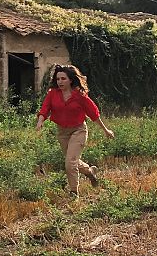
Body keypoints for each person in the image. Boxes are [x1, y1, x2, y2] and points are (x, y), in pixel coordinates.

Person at [35, 64, 115, 195]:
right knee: (72, 161)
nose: (60, 82)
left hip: (78, 130)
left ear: (71, 80)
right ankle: (90, 171)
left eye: (63, 79)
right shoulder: (53, 94)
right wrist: (40, 121)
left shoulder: (80, 95)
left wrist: (106, 130)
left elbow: (93, 113)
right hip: (62, 132)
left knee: (70, 163)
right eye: (58, 79)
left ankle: (74, 192)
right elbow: (45, 109)